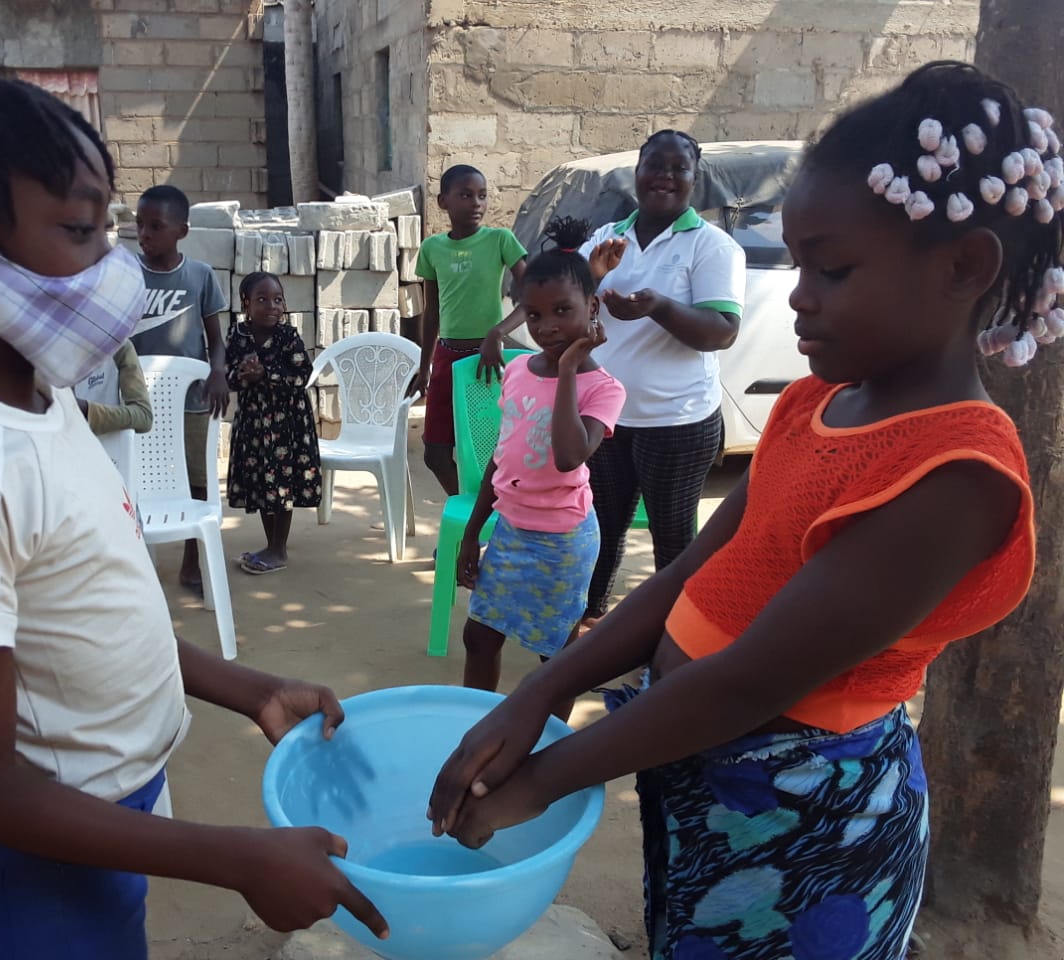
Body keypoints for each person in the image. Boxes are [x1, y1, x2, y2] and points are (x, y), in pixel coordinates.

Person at [427, 61, 1047, 960]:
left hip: (806, 823)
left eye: (832, 269)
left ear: (962, 266)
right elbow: (686, 576)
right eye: (800, 264)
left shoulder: (955, 473)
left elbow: (755, 678)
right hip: (706, 780)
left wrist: (541, 780)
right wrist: (543, 689)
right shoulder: (813, 407)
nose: (798, 296)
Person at [0, 67, 388, 958]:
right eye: (81, 231)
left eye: (110, 228)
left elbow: (92, 608)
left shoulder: (45, 399)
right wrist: (236, 857)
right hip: (39, 870)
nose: (113, 264)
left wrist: (247, 686)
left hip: (111, 813)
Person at [457, 218, 625, 720]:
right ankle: (474, 723)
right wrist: (472, 533)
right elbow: (501, 458)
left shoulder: (604, 389)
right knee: (479, 635)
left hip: (562, 541)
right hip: (510, 530)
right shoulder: (516, 370)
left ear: (592, 309)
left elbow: (569, 456)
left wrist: (571, 368)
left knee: (555, 656)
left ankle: (545, 742)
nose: (547, 326)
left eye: (562, 311)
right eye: (534, 315)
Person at [576, 130, 745, 625]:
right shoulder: (607, 239)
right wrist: (592, 276)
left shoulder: (711, 246)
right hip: (605, 419)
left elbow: (722, 331)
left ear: (695, 179)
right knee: (601, 527)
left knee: (672, 536)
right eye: (655, 165)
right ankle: (588, 624)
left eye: (679, 168)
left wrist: (659, 307)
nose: (665, 177)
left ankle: (674, 638)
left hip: (677, 421)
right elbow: (570, 309)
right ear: (638, 171)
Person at [128, 183, 231, 593]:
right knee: (131, 479)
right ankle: (132, 562)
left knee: (196, 481)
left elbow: (216, 339)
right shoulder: (126, 274)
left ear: (182, 231)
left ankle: (191, 560)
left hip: (190, 401)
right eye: (139, 225)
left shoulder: (199, 276)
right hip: (134, 401)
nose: (145, 234)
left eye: (155, 226)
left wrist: (218, 371)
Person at [415, 164, 528, 497]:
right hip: (448, 357)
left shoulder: (500, 240)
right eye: (465, 195)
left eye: (482, 195)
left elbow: (535, 297)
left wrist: (497, 333)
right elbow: (431, 313)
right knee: (435, 453)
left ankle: (487, 523)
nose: (476, 203)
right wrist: (425, 368)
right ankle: (467, 514)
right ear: (443, 202)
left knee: (490, 452)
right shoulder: (432, 248)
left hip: (489, 361)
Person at [225, 272, 321, 575]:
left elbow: (301, 376)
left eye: (278, 300)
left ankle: (278, 549)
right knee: (263, 486)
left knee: (281, 486)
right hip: (254, 425)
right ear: (246, 303)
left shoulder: (288, 336)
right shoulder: (236, 336)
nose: (272, 306)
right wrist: (243, 373)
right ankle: (271, 545)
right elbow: (227, 377)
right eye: (262, 299)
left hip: (287, 426)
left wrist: (264, 375)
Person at [73, 339, 153, 436]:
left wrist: (87, 410)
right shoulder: (56, 352)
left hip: (109, 445)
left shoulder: (120, 346)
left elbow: (144, 417)